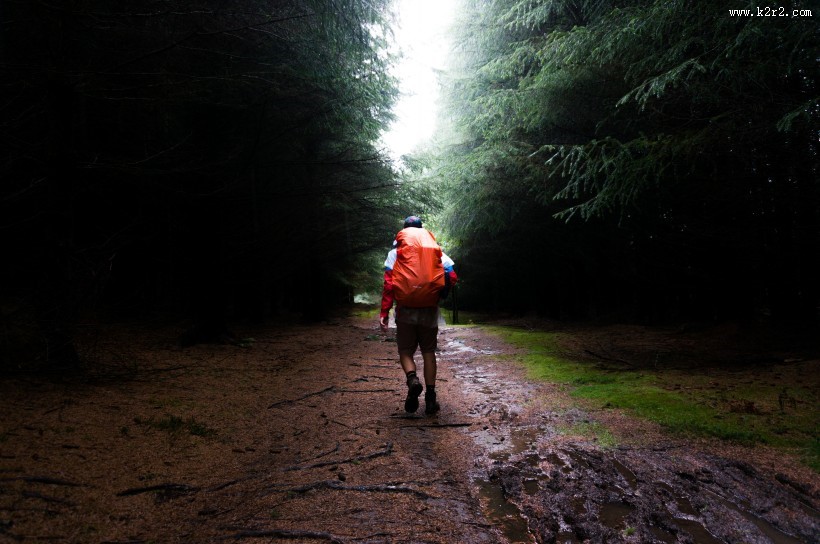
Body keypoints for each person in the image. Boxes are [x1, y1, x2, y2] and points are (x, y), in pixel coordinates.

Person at [379, 216, 457, 415]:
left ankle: (412, 379)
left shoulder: (395, 253)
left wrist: (385, 312)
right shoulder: (435, 251)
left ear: (404, 232)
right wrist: (439, 292)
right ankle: (431, 400)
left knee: (405, 351)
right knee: (428, 351)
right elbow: (452, 275)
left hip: (405, 308)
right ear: (422, 231)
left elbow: (389, 284)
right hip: (429, 308)